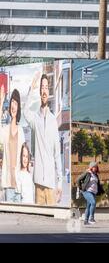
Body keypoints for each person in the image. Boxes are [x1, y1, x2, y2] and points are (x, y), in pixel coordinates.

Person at [24, 72, 62, 206]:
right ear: (39, 91)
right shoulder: (35, 119)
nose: (44, 90)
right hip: (38, 182)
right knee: (38, 221)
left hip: (51, 184)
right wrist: (31, 89)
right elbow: (25, 112)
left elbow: (57, 154)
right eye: (42, 87)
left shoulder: (53, 120)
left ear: (49, 90)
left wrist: (60, 183)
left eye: (46, 87)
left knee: (52, 223)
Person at [0, 87, 25, 203]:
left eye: (16, 103)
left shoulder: (21, 131)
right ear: (9, 107)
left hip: (19, 184)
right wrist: (0, 102)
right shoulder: (5, 130)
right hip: (8, 184)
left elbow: (24, 156)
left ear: (19, 107)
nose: (13, 106)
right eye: (12, 103)